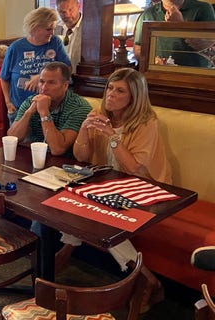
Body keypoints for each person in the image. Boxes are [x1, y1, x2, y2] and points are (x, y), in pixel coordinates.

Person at [63, 68, 171, 310]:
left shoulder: (147, 123)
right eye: (110, 88)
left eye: (120, 90)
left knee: (97, 215)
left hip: (148, 188)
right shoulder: (100, 114)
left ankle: (147, 279)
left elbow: (135, 169)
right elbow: (81, 157)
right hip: (112, 185)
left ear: (134, 97)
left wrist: (112, 135)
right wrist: (84, 129)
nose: (111, 94)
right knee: (73, 201)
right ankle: (66, 251)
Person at [1, 7, 71, 124]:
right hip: (20, 109)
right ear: (34, 28)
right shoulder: (15, 48)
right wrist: (8, 103)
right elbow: (4, 78)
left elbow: (67, 69)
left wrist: (40, 77)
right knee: (19, 141)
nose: (52, 33)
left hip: (50, 109)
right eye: (48, 29)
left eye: (53, 29)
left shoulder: (55, 43)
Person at [7, 61, 90, 157]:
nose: (44, 87)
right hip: (37, 158)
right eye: (41, 82)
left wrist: (44, 113)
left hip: (65, 164)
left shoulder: (79, 107)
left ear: (65, 86)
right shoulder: (31, 101)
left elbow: (58, 149)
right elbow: (12, 137)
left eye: (51, 83)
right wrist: (29, 112)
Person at [134, 0, 215, 67]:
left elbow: (206, 45)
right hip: (159, 75)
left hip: (197, 76)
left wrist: (180, 25)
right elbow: (138, 48)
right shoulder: (148, 14)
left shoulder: (203, 9)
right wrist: (153, 60)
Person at [54, 0, 82, 73]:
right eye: (62, 12)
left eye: (70, 10)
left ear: (78, 6)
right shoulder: (54, 28)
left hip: (80, 77)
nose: (67, 15)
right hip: (59, 77)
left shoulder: (90, 27)